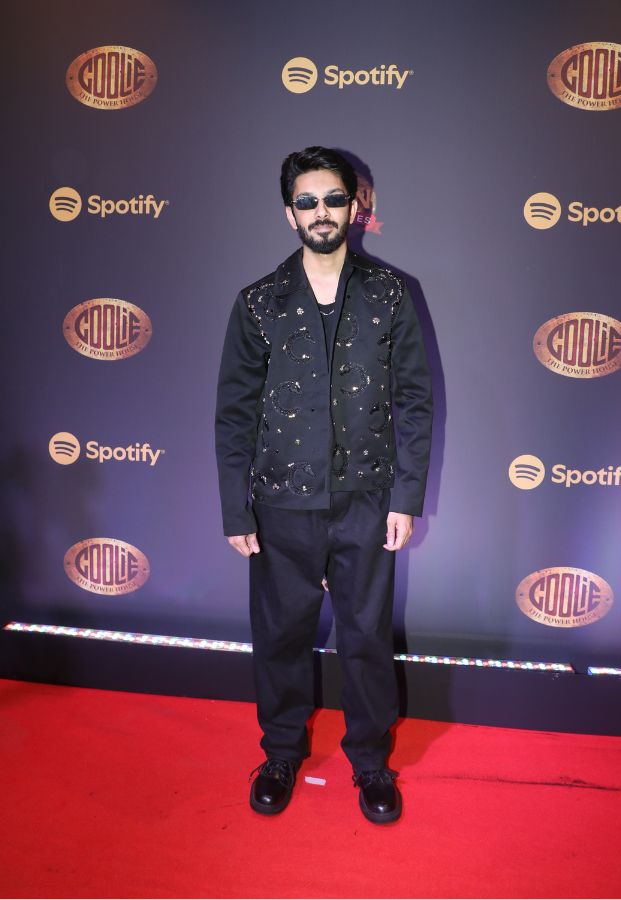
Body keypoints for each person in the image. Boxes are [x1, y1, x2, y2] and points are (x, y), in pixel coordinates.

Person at [215, 146, 433, 824]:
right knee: (281, 635)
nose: (321, 212)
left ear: (354, 207)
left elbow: (415, 401)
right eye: (306, 201)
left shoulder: (391, 294)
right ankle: (281, 752)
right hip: (281, 502)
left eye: (334, 198)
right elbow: (234, 411)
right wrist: (235, 508)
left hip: (367, 500)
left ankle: (371, 762)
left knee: (366, 637)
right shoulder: (258, 303)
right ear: (290, 213)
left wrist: (405, 497)